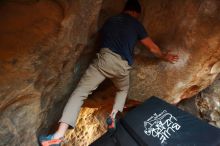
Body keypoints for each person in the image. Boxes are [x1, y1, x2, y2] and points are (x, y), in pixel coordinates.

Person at [39, 0, 179, 145]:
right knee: (123, 89)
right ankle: (113, 116)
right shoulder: (136, 24)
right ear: (135, 13)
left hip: (105, 61)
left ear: (125, 10)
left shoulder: (110, 21)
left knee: (79, 94)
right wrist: (164, 56)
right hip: (122, 66)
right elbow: (152, 48)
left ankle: (58, 135)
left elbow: (100, 39)